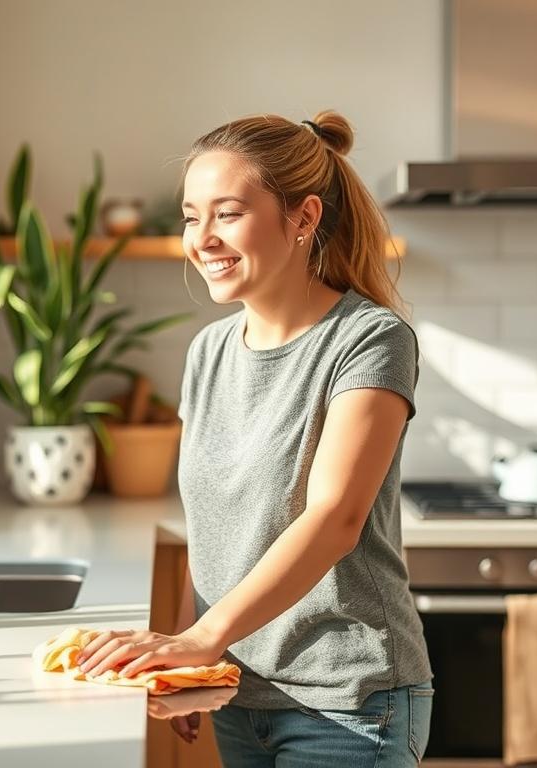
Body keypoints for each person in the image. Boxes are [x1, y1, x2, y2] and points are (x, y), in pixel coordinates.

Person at [75, 110, 434, 767]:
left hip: (349, 707)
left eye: (228, 213)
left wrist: (205, 637)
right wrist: (189, 649)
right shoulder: (209, 351)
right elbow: (213, 524)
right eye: (192, 217)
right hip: (240, 696)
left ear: (303, 218)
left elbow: (336, 518)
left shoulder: (370, 340)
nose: (203, 238)